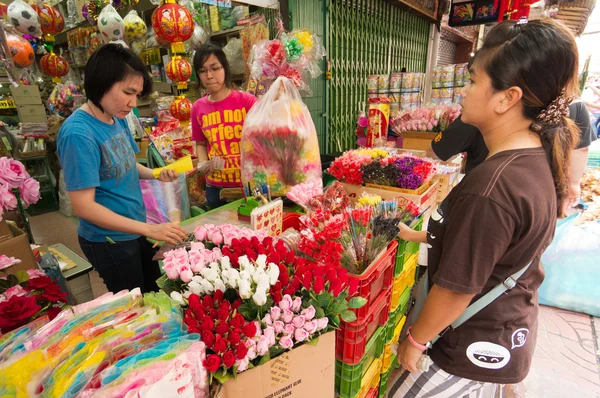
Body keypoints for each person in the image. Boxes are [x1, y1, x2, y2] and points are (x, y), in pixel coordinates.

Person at [391, 19, 579, 397]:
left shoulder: (492, 186)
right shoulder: (533, 158)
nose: (462, 91)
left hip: (468, 343)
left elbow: (455, 290)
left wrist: (415, 340)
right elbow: (494, 246)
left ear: (506, 98)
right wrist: (420, 235)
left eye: (473, 80)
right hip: (504, 331)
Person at [57, 44, 188, 294]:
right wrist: (150, 229)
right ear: (102, 82)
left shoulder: (117, 118)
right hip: (108, 240)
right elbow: (84, 206)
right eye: (128, 92)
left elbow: (127, 162)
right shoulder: (79, 134)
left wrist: (157, 173)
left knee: (153, 290)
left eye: (137, 94)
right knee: (133, 303)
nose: (132, 103)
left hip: (135, 228)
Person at [431, 101, 596, 212]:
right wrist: (573, 184)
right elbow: (581, 150)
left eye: (474, 80)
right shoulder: (574, 106)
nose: (464, 91)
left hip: (486, 204)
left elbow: (435, 153)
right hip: (543, 203)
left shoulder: (486, 109)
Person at [191, 44, 258, 209]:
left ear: (225, 68)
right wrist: (203, 162)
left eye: (214, 68)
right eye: (202, 71)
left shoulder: (247, 101)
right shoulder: (198, 107)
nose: (209, 75)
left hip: (247, 184)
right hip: (216, 186)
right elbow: (200, 143)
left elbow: (262, 140)